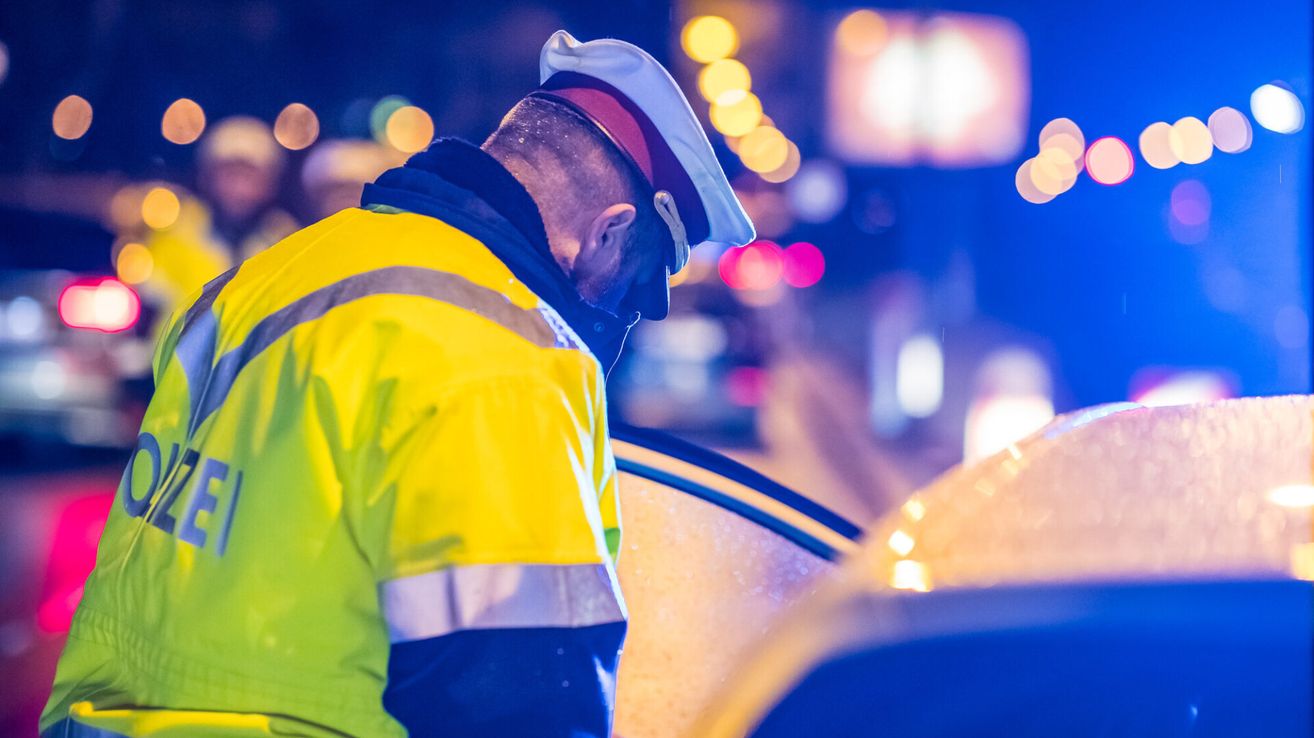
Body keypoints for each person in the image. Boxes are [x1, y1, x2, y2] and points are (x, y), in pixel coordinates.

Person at [41, 30, 753, 738]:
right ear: (607, 232)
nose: (615, 314)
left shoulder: (262, 280)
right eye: (630, 288)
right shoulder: (508, 356)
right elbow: (523, 700)